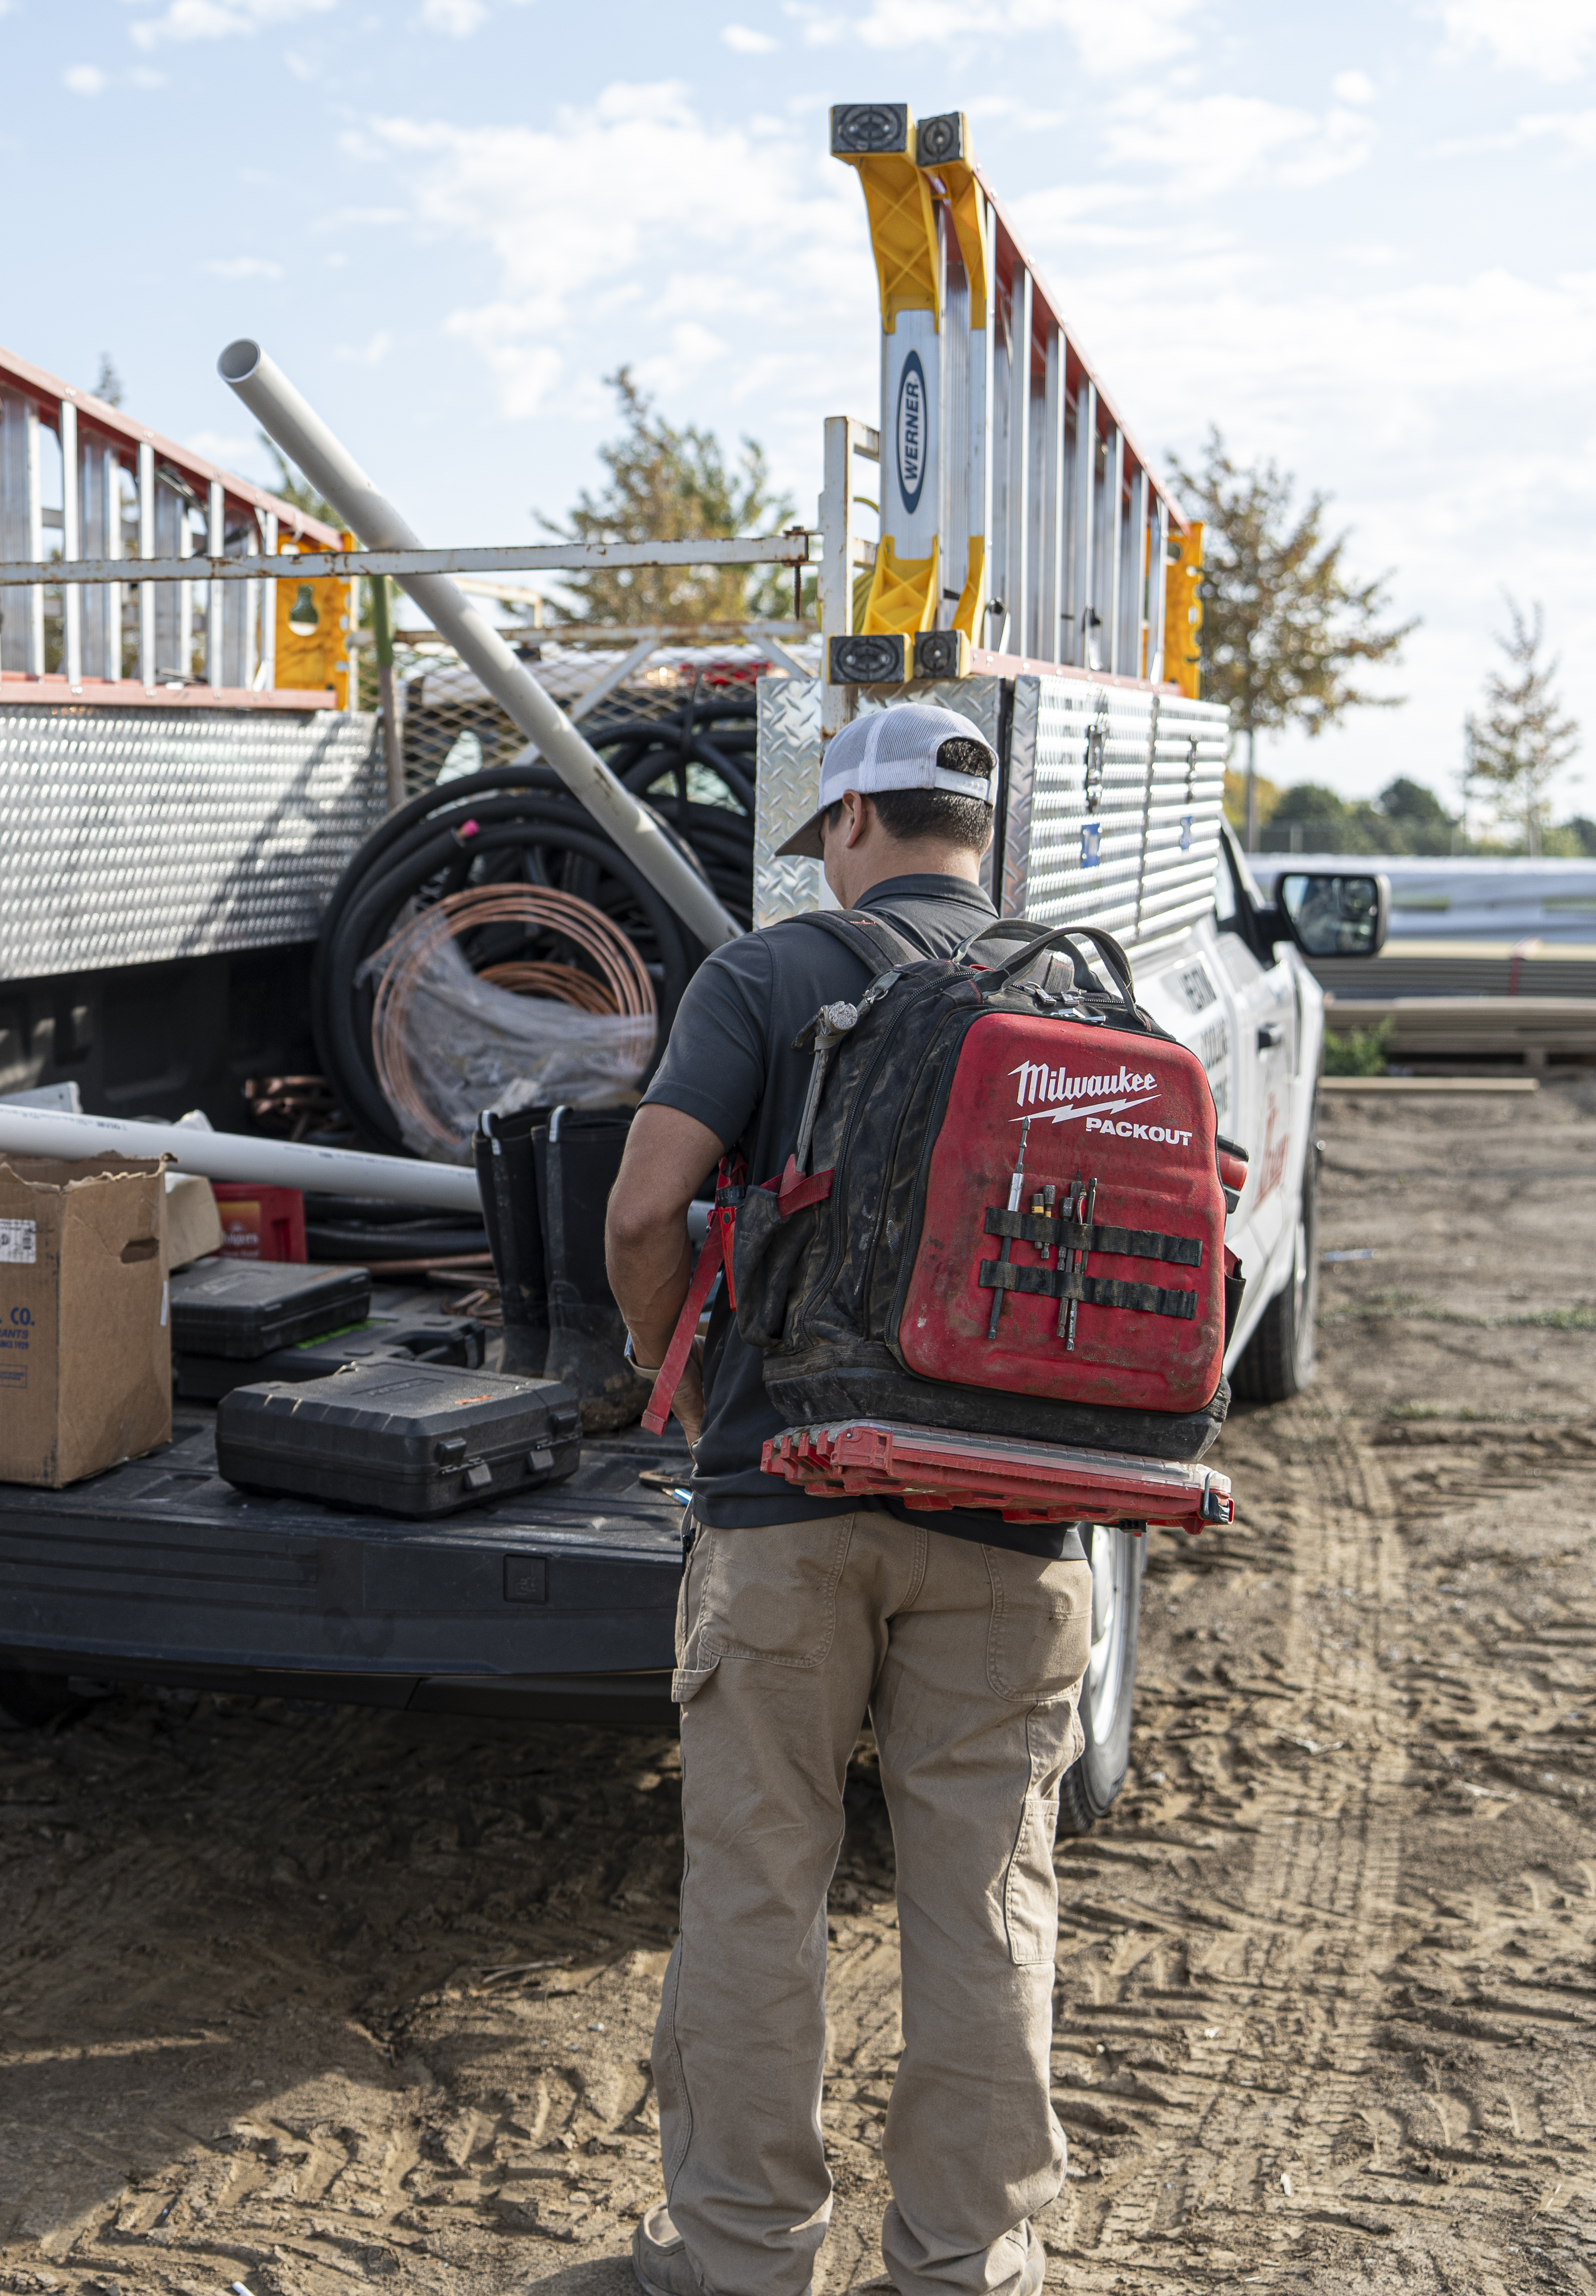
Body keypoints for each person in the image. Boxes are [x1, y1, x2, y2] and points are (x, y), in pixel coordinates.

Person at [602, 702, 1092, 2296]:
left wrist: (669, 1367)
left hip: (784, 1504)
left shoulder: (769, 976)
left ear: (852, 829)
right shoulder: (1080, 994)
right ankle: (966, 2264)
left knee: (760, 1882)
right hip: (1013, 1527)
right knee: (986, 1891)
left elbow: (640, 1211)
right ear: (985, 840)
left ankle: (742, 2255)